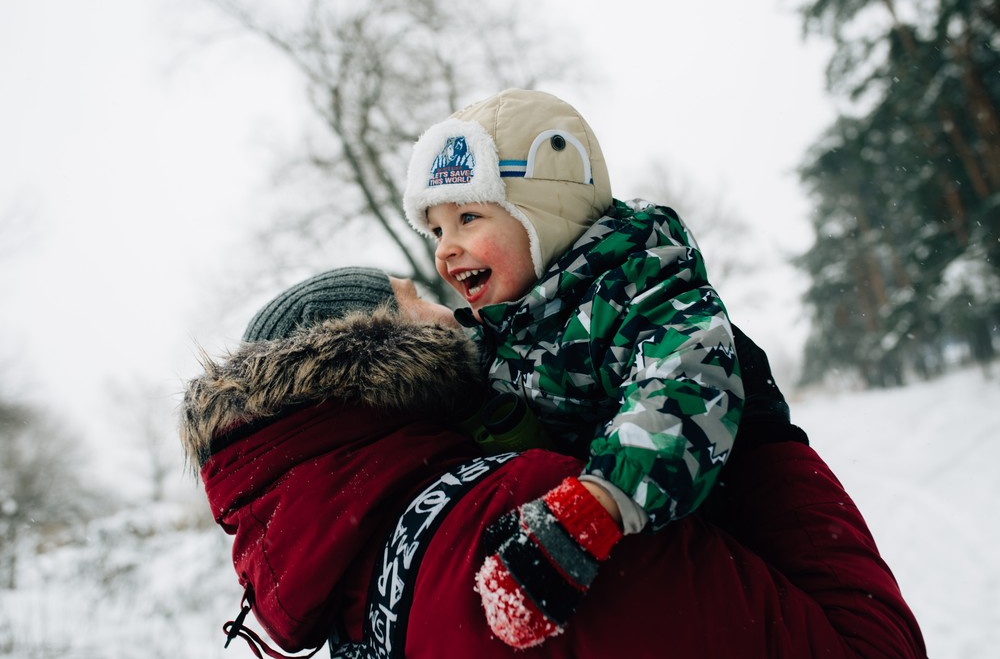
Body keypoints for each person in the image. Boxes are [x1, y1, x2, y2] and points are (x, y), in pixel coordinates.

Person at [178, 267, 926, 659]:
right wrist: (758, 436)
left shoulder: (352, 617)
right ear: (380, 356)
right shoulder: (526, 511)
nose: (453, 311)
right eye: (414, 300)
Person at [402, 88, 744, 645]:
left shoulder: (638, 290)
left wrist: (596, 505)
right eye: (438, 230)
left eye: (468, 217)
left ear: (547, 214)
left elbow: (685, 385)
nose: (445, 249)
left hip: (686, 554)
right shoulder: (503, 331)